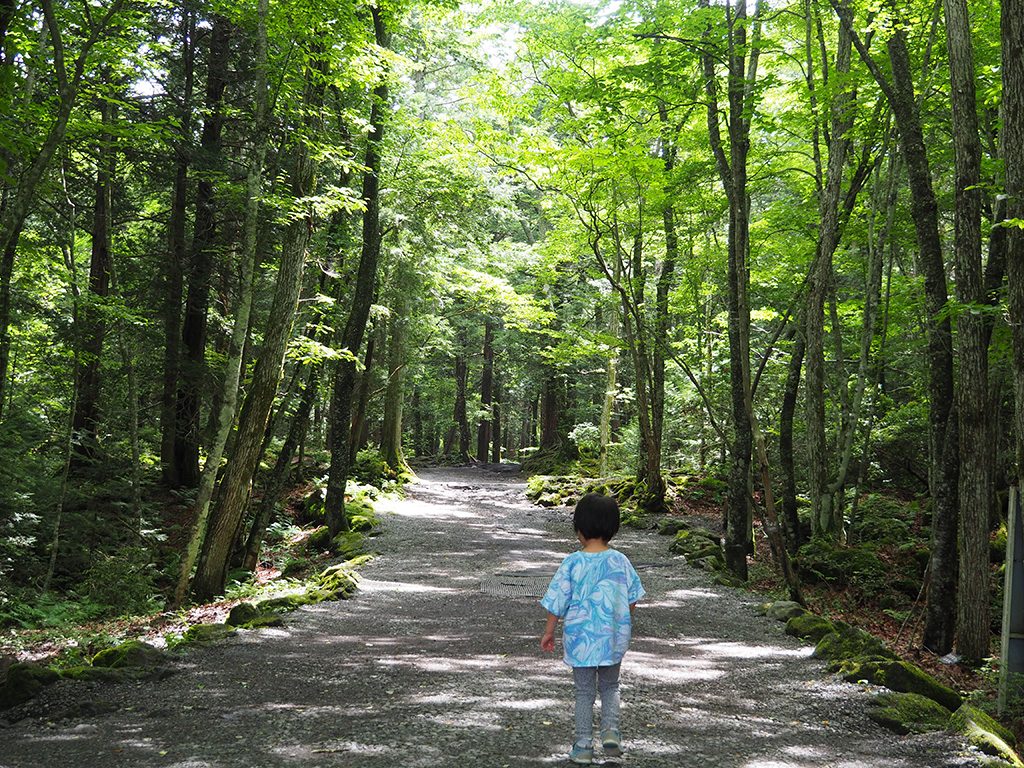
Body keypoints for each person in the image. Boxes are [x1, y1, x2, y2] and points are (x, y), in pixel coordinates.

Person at [540, 493, 646, 765]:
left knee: (584, 692)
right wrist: (619, 618)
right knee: (611, 686)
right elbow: (632, 598)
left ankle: (583, 745)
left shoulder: (572, 562)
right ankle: (611, 731)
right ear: (613, 528)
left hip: (581, 640)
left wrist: (549, 631)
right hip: (612, 638)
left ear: (580, 529)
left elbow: (557, 601)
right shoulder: (620, 561)